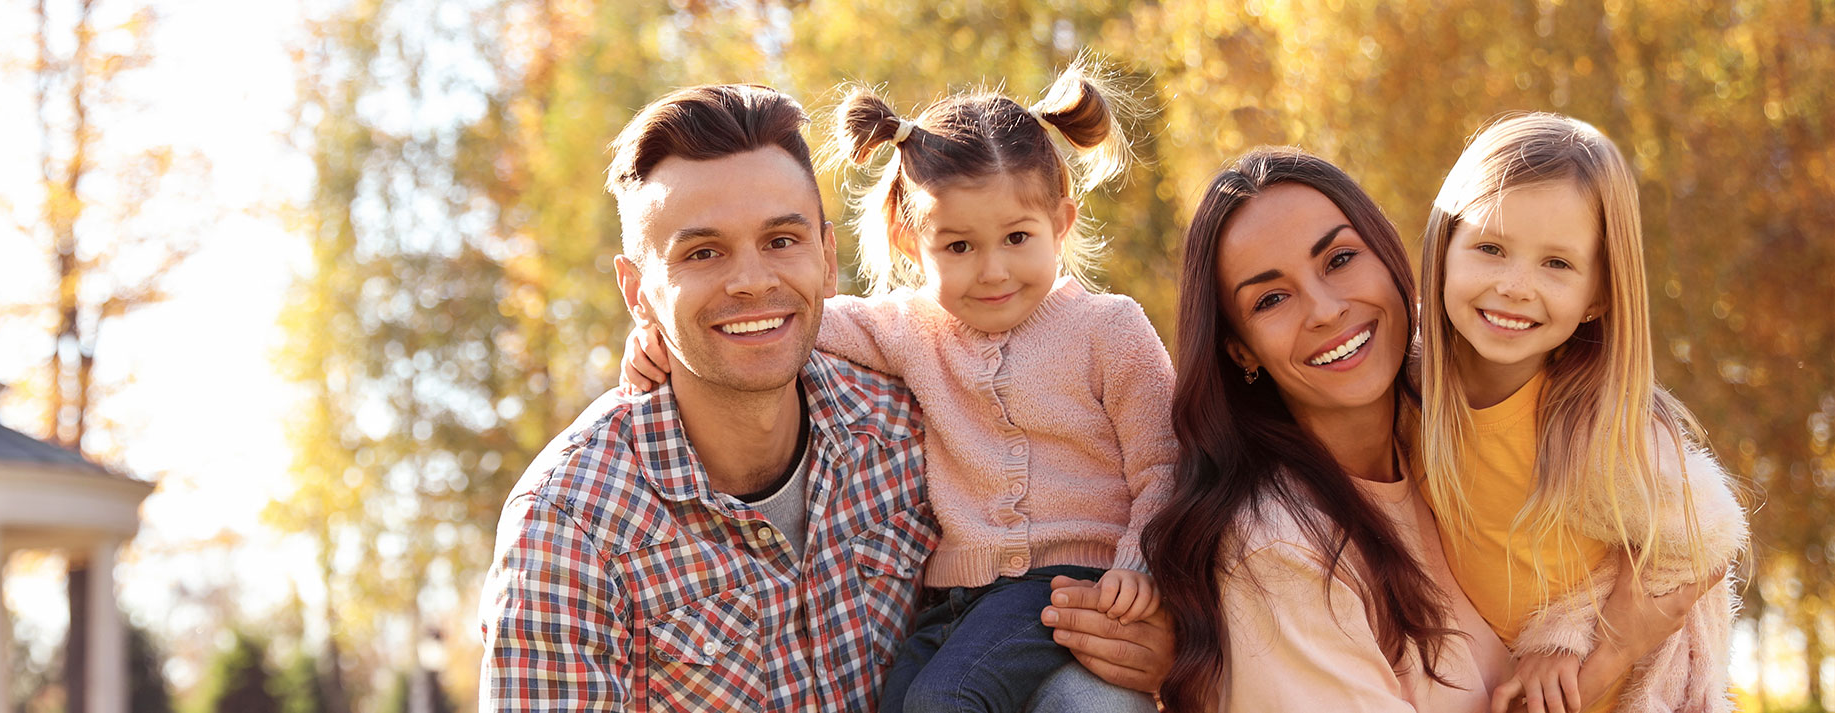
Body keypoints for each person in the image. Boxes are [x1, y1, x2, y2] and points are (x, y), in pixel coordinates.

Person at [479, 83, 1170, 713]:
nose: (751, 282)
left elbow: (1170, 483)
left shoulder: (903, 427)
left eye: (781, 240)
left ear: (827, 258)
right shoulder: (572, 525)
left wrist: (1167, 647)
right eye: (702, 254)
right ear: (637, 293)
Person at [1143, 146, 1512, 712]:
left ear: (1389, 258)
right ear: (1242, 351)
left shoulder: (1478, 436)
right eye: (1271, 299)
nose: (1323, 309)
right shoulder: (1276, 547)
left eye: (1339, 259)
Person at [1416, 113, 1748, 713]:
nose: (1516, 286)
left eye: (1557, 264)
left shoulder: (1594, 429)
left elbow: (1708, 540)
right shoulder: (1410, 396)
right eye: (1490, 248)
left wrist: (1567, 635)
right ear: (1442, 251)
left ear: (1598, 295)